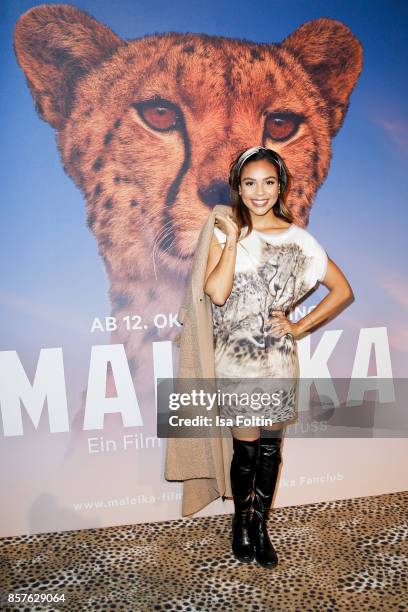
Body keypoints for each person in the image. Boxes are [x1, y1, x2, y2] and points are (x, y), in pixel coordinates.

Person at [203, 146, 354, 568]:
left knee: (271, 449)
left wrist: (299, 326)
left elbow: (342, 290)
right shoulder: (223, 233)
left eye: (269, 182)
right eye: (250, 182)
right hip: (235, 360)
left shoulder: (299, 239)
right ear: (238, 186)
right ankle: (240, 523)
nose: (259, 191)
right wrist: (234, 238)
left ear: (280, 186)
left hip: (277, 359)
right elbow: (216, 293)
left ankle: (261, 526)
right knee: (245, 451)